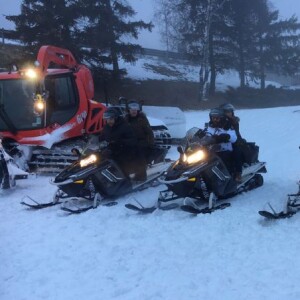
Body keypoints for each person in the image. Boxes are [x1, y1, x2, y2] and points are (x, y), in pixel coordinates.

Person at [99, 107, 140, 179]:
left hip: (125, 150)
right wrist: (94, 140)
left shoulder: (125, 127)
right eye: (107, 119)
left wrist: (120, 141)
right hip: (112, 149)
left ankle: (125, 179)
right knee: (99, 159)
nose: (109, 121)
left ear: (116, 118)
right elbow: (102, 137)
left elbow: (133, 140)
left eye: (111, 119)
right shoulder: (107, 127)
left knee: (120, 161)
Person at [204, 108, 240, 181]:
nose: (215, 120)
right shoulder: (210, 126)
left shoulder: (227, 126)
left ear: (221, 118)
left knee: (225, 158)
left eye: (217, 118)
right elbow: (205, 133)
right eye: (213, 118)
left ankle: (234, 175)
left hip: (224, 149)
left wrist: (226, 136)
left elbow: (234, 137)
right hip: (212, 149)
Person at [125, 100, 155, 180]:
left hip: (141, 142)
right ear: (128, 110)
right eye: (132, 109)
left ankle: (141, 176)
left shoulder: (142, 119)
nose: (134, 111)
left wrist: (151, 144)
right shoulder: (125, 119)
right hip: (129, 142)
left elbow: (149, 132)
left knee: (139, 155)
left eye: (135, 109)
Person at [219, 103, 244, 181]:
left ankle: (238, 172)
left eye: (230, 111)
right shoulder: (218, 119)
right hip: (220, 140)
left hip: (235, 140)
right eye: (226, 111)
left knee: (236, 151)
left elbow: (234, 133)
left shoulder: (233, 121)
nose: (228, 113)